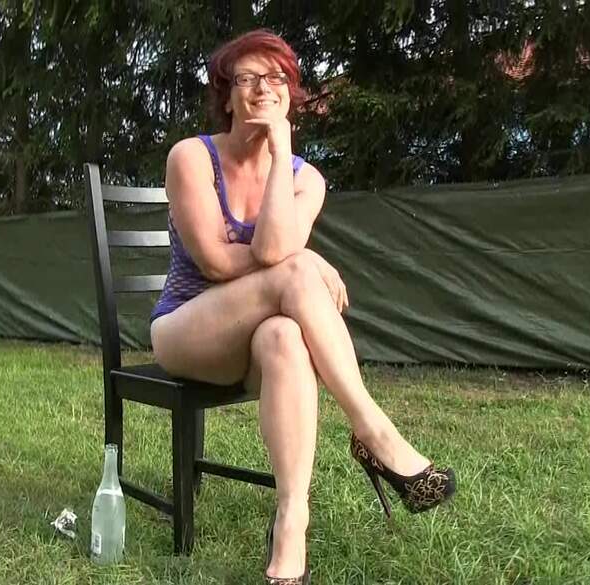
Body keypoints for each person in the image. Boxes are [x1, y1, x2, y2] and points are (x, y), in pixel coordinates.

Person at [149, 29, 455, 584]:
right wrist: (306, 259)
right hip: (188, 331)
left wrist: (280, 153)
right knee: (294, 270)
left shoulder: (306, 178)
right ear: (226, 96)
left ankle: (292, 522)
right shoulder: (191, 158)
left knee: (286, 338)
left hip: (256, 342)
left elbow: (270, 250)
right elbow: (217, 262)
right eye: (247, 78)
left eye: (276, 79)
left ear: (290, 94)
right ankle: (372, 430)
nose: (262, 88)